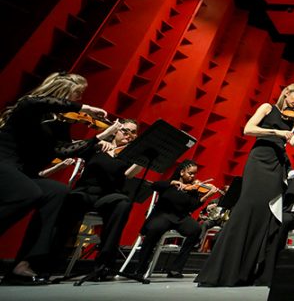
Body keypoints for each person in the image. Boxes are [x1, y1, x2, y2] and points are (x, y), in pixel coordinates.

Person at [196, 82, 294, 287]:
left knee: (267, 215)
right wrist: (277, 133)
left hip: (278, 165)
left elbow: (293, 141)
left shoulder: (292, 118)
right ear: (286, 93)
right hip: (260, 161)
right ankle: (222, 270)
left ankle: (249, 272)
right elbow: (249, 129)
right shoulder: (268, 108)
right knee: (247, 209)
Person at [0, 72, 110, 285]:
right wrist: (84, 108)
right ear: (63, 94)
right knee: (29, 192)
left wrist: (98, 138)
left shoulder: (59, 122)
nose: (77, 100)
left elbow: (63, 149)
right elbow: (35, 101)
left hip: (23, 172)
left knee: (58, 192)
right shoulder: (29, 107)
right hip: (3, 161)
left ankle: (24, 264)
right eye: (77, 95)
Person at [54, 117, 142, 279]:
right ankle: (50, 261)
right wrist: (99, 141)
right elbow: (77, 150)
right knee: (71, 201)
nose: (128, 135)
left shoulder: (128, 156)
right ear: (115, 130)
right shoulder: (97, 147)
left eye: (133, 133)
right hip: (85, 191)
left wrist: (143, 158)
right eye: (125, 130)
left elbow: (129, 175)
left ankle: (104, 264)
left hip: (108, 195)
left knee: (123, 203)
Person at [126, 159, 219, 279]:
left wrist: (207, 195)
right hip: (163, 214)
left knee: (196, 229)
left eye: (194, 174)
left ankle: (175, 269)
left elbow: (192, 206)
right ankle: (140, 268)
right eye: (190, 173)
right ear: (181, 172)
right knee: (155, 229)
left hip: (181, 217)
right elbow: (154, 185)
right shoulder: (169, 184)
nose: (193, 176)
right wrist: (172, 183)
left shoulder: (193, 189)